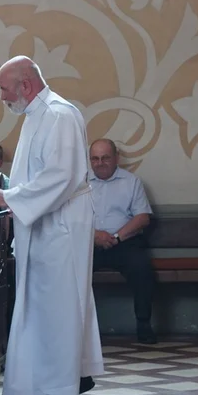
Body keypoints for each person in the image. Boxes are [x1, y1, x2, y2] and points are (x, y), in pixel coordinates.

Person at [0, 55, 103, 395]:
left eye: (5, 88)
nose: (2, 96)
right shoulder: (39, 114)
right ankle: (70, 378)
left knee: (58, 311)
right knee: (54, 309)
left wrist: (12, 198)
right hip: (47, 223)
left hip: (60, 226)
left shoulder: (58, 115)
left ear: (26, 85)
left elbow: (61, 175)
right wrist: (16, 198)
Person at [88, 139, 156, 344]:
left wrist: (115, 237)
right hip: (89, 243)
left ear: (116, 158)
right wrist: (94, 236)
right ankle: (75, 330)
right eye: (95, 158)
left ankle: (143, 324)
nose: (100, 163)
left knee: (142, 268)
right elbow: (69, 217)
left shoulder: (131, 181)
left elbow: (142, 217)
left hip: (124, 242)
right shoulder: (79, 184)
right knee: (68, 271)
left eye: (105, 158)